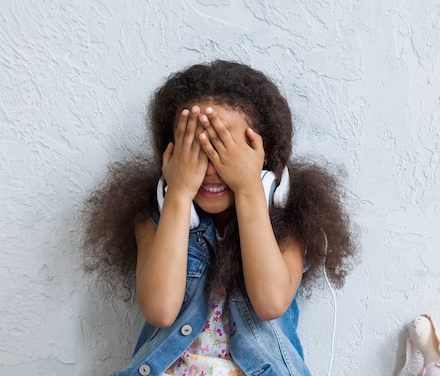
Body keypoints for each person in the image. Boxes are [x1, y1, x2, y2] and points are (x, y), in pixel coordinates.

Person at [83, 60, 358, 376]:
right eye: (197, 149)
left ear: (263, 154)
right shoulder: (153, 220)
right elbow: (160, 309)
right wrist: (179, 194)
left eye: (226, 150)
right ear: (171, 155)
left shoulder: (292, 225)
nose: (212, 167)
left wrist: (248, 187)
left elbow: (270, 303)